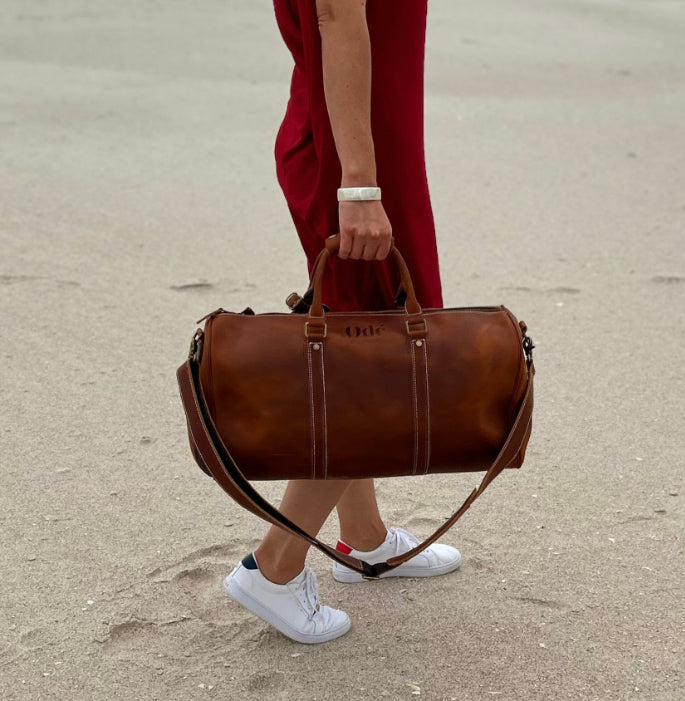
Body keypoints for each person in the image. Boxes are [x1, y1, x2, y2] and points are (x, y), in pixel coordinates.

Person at [224, 0, 461, 644]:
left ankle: (366, 539)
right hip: (356, 156)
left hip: (362, 141)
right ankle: (274, 567)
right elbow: (335, 18)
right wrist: (360, 186)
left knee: (364, 347)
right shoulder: (358, 176)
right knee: (384, 364)